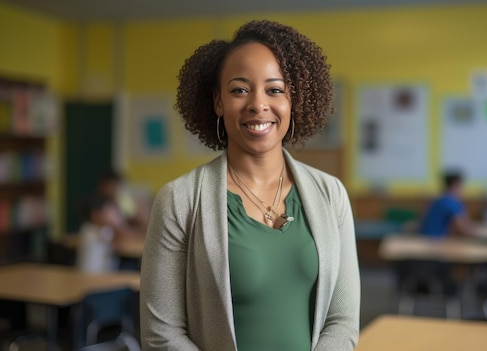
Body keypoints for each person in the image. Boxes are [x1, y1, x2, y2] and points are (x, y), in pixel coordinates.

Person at [140, 20, 360, 351]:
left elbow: (342, 321)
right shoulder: (180, 200)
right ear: (218, 101)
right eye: (240, 89)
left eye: (274, 89)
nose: (258, 104)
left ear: (292, 101)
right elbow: (161, 334)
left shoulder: (331, 194)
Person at [419, 170, 474, 237]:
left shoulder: (438, 200)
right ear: (456, 185)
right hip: (437, 242)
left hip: (425, 239)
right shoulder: (452, 202)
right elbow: (462, 228)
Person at [75, 193, 121, 272]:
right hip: (91, 275)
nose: (112, 214)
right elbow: (115, 243)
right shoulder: (89, 231)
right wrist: (115, 224)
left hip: (101, 275)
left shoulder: (103, 229)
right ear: (95, 216)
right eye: (108, 211)